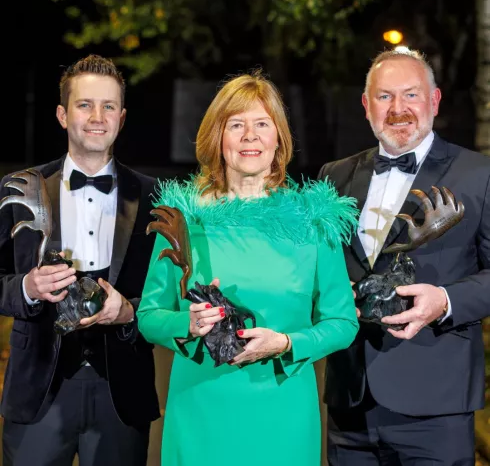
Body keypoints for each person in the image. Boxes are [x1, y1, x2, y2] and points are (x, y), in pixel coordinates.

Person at [137, 71, 359, 466]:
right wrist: (185, 325)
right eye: (235, 125)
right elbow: (150, 315)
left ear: (279, 138)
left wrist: (288, 344)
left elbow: (343, 321)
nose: (249, 136)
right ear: (218, 138)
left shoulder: (314, 221)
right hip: (201, 408)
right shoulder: (183, 220)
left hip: (283, 411)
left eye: (261, 124)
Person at [318, 48, 490, 465]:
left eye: (411, 95)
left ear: (434, 100)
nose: (398, 109)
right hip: (350, 401)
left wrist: (446, 301)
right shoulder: (332, 176)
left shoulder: (479, 174)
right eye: (384, 97)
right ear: (365, 105)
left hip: (436, 406)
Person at [0, 54, 160, 466]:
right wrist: (26, 288)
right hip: (38, 390)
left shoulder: (156, 197)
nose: (97, 116)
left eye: (108, 106)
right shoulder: (18, 189)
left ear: (121, 118)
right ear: (61, 113)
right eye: (84, 104)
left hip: (121, 392)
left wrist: (129, 311)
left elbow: (171, 294)